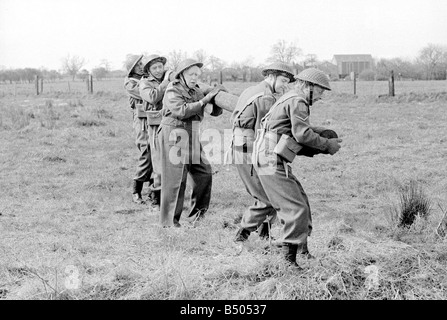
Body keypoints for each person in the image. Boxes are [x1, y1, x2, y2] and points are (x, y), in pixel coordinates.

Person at [252, 68, 342, 268]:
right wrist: (328, 146)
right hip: (270, 158)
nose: (321, 97)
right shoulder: (298, 101)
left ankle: (301, 248)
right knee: (295, 207)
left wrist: (320, 136)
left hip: (269, 156)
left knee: (300, 199)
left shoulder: (289, 97)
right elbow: (302, 135)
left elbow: (291, 133)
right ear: (308, 86)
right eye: (320, 91)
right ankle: (288, 260)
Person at [227, 62, 296, 243]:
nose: (285, 86)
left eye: (287, 82)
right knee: (269, 196)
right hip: (250, 151)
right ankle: (242, 234)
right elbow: (266, 133)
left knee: (266, 193)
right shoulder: (266, 99)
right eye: (282, 80)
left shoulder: (250, 90)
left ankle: (264, 233)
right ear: (271, 77)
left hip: (240, 148)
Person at [158, 58, 225, 227]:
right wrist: (204, 100)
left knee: (203, 172)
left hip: (192, 132)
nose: (195, 77)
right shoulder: (172, 89)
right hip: (174, 132)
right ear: (181, 74)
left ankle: (197, 215)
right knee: (176, 179)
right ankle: (169, 223)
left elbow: (214, 111)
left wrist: (218, 95)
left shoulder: (196, 90)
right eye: (191, 74)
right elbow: (181, 111)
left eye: (197, 74)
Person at [139, 54, 175, 208]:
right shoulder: (145, 83)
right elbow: (152, 97)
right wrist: (166, 82)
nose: (159, 70)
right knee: (158, 161)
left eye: (160, 66)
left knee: (172, 159)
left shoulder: (168, 80)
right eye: (154, 68)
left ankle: (170, 197)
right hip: (155, 125)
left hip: (171, 123)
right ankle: (156, 199)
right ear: (148, 70)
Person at [124, 54, 153, 204]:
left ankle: (153, 191)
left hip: (154, 119)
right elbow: (146, 95)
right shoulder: (130, 83)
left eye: (142, 64)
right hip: (141, 121)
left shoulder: (146, 80)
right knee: (146, 152)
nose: (142, 66)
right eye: (139, 65)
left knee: (156, 153)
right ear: (132, 68)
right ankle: (136, 189)